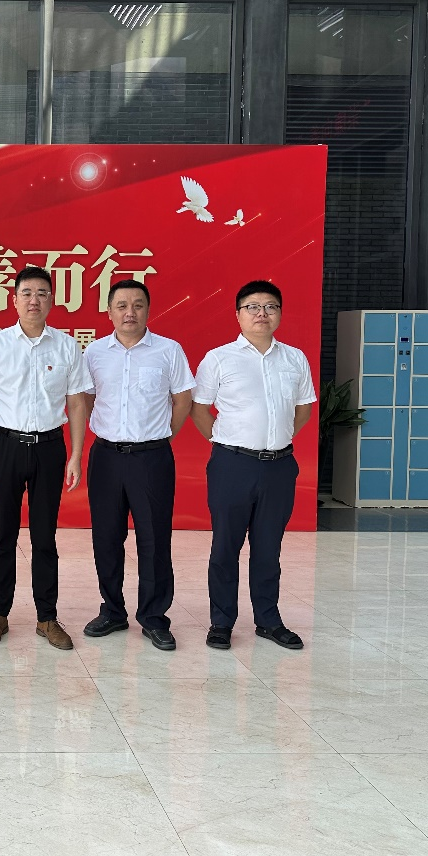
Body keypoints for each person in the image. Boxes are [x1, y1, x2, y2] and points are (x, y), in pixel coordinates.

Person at [0, 267, 92, 651]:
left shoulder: (67, 346)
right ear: (15, 300)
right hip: (5, 445)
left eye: (41, 293)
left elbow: (76, 403)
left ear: (52, 300)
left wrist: (76, 455)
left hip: (49, 448)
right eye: (26, 293)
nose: (34, 300)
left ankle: (47, 617)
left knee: (45, 536)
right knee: (3, 535)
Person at [191, 280, 316, 651]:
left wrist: (274, 439)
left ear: (280, 313)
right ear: (238, 314)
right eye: (253, 307)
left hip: (279, 466)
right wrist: (225, 442)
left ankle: (268, 620)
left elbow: (303, 409)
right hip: (232, 465)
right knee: (225, 546)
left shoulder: (294, 358)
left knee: (268, 548)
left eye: (270, 306)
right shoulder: (218, 358)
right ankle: (221, 622)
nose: (262, 313)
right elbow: (199, 409)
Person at [82, 279, 195, 652]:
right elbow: (86, 400)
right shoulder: (94, 353)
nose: (129, 312)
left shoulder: (168, 350)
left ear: (148, 309)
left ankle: (154, 617)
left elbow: (182, 401)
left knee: (155, 539)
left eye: (137, 305)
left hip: (152, 458)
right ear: (109, 311)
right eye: (121, 305)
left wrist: (160, 436)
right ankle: (112, 611)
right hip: (106, 457)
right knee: (106, 538)